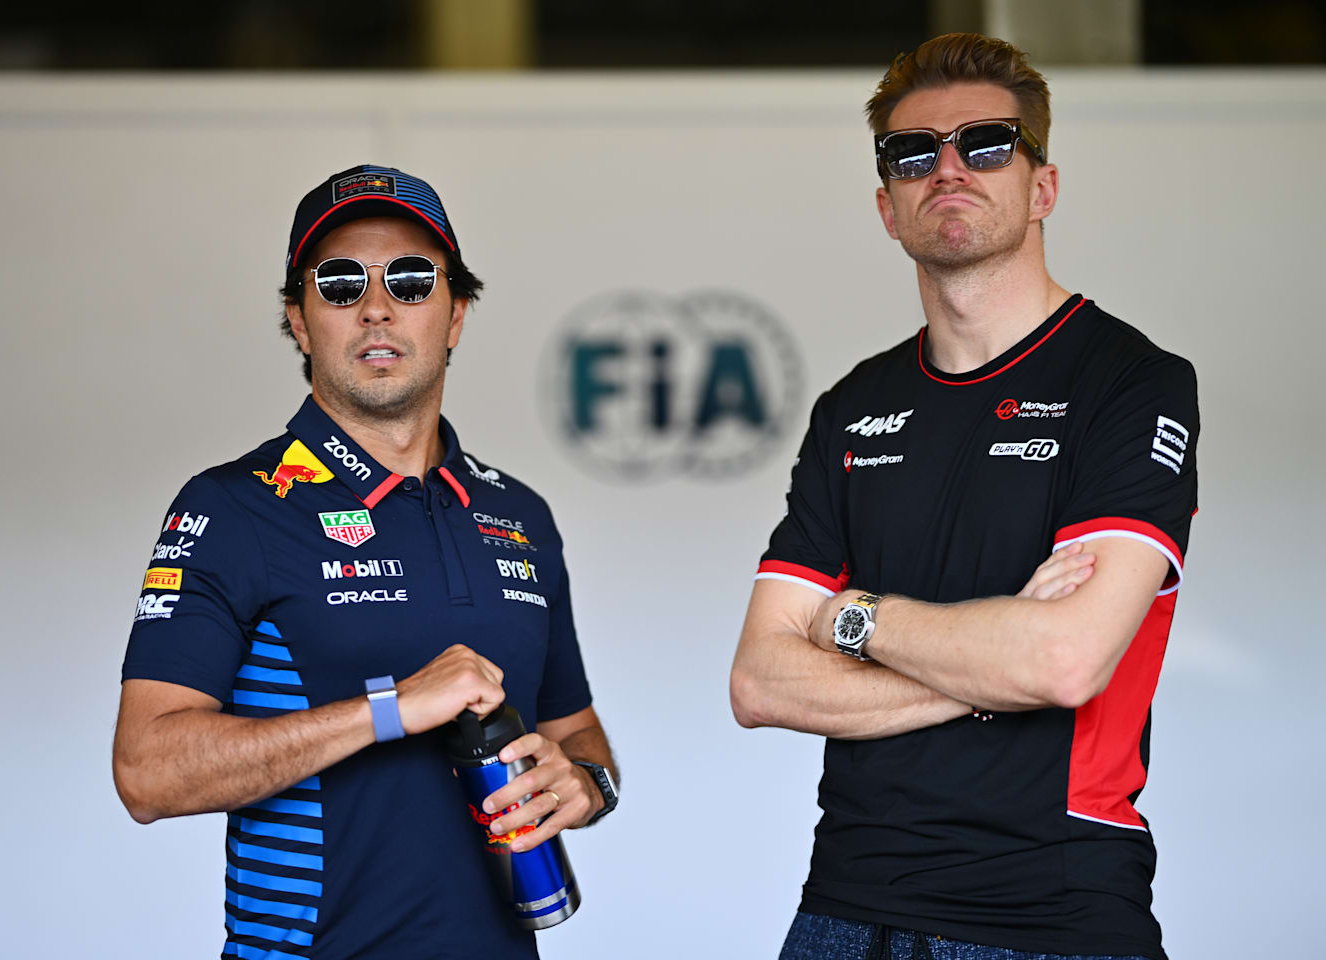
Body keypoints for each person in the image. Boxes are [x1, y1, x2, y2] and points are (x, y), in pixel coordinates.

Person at [730, 34, 1198, 960]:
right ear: (886, 206)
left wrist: (850, 619)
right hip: (841, 910)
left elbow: (1062, 663)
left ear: (1043, 187)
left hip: (1050, 914)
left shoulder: (1132, 382)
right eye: (915, 153)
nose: (948, 167)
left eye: (986, 143)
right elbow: (758, 680)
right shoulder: (853, 407)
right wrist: (986, 666)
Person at [113, 164, 619, 960]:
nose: (377, 306)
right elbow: (147, 771)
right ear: (300, 320)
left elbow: (576, 729)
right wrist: (390, 708)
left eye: (413, 281)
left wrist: (589, 784)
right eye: (340, 283)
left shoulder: (518, 514)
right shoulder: (232, 509)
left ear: (455, 315)